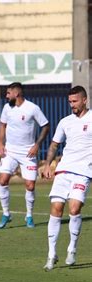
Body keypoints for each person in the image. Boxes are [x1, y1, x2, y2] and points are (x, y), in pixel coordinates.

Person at [42, 85, 91, 271]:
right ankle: (51, 254)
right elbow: (54, 145)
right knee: (56, 208)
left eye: (75, 101)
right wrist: (48, 164)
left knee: (75, 207)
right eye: (70, 102)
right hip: (63, 171)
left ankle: (72, 248)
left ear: (84, 100)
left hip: (83, 171)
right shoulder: (65, 122)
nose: (72, 105)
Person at [0, 82, 50, 229]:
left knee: (30, 185)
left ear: (16, 94)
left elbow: (45, 126)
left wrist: (37, 145)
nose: (6, 96)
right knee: (3, 180)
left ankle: (29, 216)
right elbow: (2, 125)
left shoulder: (32, 108)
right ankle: (6, 213)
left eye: (8, 93)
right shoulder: (7, 108)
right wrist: (1, 144)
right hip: (10, 151)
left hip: (28, 153)